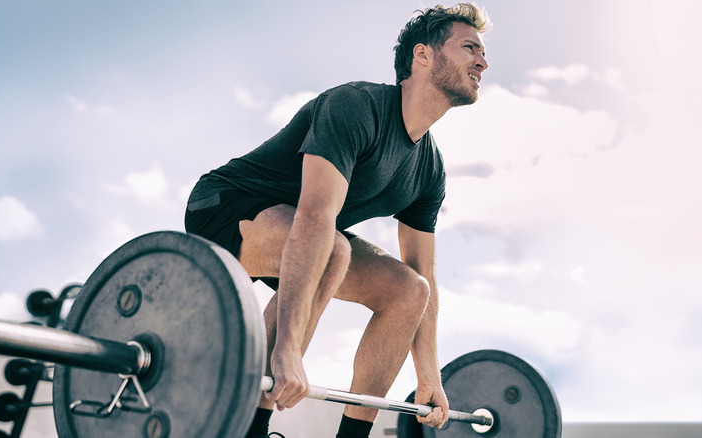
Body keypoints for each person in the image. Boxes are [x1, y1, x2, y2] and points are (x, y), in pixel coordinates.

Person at [184, 3, 489, 437]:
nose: (483, 60)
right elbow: (314, 215)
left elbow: (424, 271)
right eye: (469, 47)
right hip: (223, 207)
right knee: (331, 246)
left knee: (409, 289)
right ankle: (250, 427)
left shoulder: (429, 167)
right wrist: (286, 351)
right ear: (423, 55)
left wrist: (429, 378)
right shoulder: (357, 105)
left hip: (306, 234)